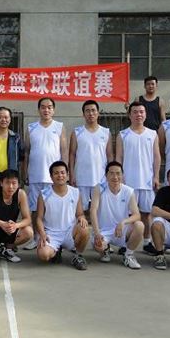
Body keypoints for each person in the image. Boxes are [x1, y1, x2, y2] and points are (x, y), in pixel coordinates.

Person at [22, 97, 68, 250]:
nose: (46, 110)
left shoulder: (59, 126)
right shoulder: (31, 128)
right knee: (35, 208)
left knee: (52, 209)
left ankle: (52, 238)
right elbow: (27, 152)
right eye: (43, 107)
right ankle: (36, 237)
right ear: (39, 109)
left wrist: (65, 173)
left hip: (54, 177)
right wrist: (25, 172)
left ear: (53, 110)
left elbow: (64, 151)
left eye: (49, 107)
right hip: (35, 175)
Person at [116, 101, 161, 255]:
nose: (138, 115)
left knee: (147, 213)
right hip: (129, 181)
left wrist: (156, 176)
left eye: (141, 112)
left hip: (147, 181)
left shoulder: (152, 134)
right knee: (129, 215)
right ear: (129, 115)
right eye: (135, 112)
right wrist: (120, 177)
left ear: (145, 114)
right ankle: (126, 242)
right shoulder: (123, 134)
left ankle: (147, 242)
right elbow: (119, 157)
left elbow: (157, 157)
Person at [35, 161, 90, 270]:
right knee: (43, 255)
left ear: (68, 175)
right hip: (51, 234)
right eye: (56, 173)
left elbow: (80, 214)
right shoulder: (44, 194)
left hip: (69, 232)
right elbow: (39, 218)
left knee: (84, 229)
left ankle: (77, 256)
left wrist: (82, 218)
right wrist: (42, 234)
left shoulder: (75, 192)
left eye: (62, 172)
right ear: (51, 177)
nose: (60, 175)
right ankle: (56, 251)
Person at [89, 161, 144, 269]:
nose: (115, 177)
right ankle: (105, 250)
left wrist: (123, 222)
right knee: (99, 246)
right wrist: (97, 233)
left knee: (139, 225)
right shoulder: (98, 189)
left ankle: (128, 255)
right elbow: (93, 210)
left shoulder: (128, 191)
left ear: (122, 175)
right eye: (112, 173)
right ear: (106, 175)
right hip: (104, 231)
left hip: (121, 230)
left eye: (118, 173)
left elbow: (137, 215)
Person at [69, 99, 113, 211]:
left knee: (100, 210)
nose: (91, 113)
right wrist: (72, 174)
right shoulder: (77, 132)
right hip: (81, 178)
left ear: (98, 113)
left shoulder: (106, 132)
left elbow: (109, 156)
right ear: (83, 114)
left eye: (93, 110)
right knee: (80, 210)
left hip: (100, 178)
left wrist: (111, 175)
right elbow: (72, 154)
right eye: (87, 111)